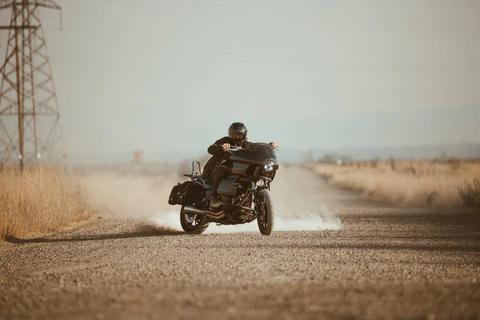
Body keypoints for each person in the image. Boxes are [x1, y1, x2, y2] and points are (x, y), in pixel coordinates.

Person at [202, 122, 277, 209]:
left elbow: (257, 146)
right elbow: (210, 149)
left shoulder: (247, 145)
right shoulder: (225, 141)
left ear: (244, 135)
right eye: (233, 135)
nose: (236, 137)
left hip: (235, 168)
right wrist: (221, 147)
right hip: (216, 167)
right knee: (221, 170)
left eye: (238, 135)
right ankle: (213, 198)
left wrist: (269, 146)